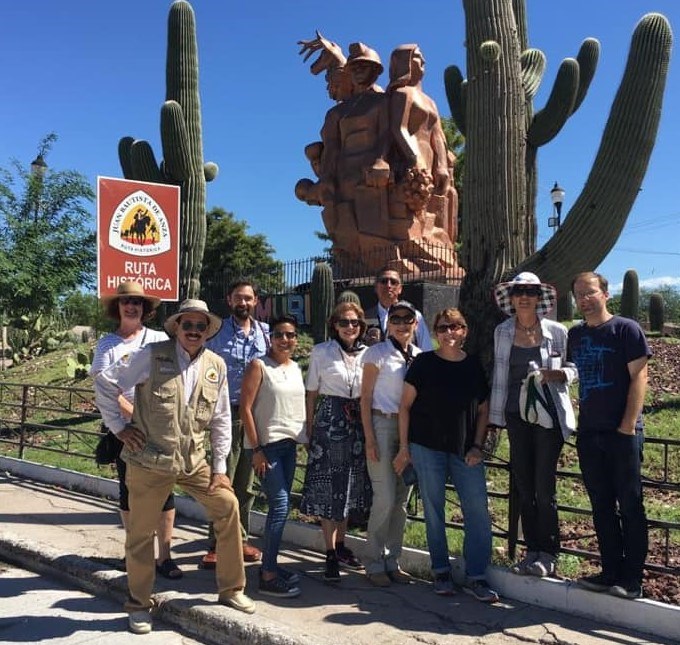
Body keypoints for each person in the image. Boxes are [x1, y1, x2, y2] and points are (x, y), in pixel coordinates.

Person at [95, 299, 255, 634]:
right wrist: (120, 429)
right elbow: (106, 382)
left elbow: (222, 419)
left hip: (193, 462)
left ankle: (231, 589)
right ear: (177, 327)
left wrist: (220, 468)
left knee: (228, 507)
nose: (194, 331)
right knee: (140, 534)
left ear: (208, 331)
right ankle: (139, 605)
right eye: (188, 325)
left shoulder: (216, 365)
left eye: (201, 326)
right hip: (150, 460)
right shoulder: (151, 355)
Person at [395, 308, 498, 602]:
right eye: (443, 328)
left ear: (464, 331)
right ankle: (441, 570)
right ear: (436, 332)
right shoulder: (424, 363)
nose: (449, 333)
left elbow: (483, 409)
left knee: (477, 511)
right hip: (427, 447)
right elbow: (405, 406)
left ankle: (477, 575)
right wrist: (404, 448)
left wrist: (478, 445)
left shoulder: (474, 365)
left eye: (455, 327)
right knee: (434, 510)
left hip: (466, 450)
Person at [567, 272, 651, 600]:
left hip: (622, 432)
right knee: (601, 505)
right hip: (589, 432)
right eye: (578, 294)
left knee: (630, 504)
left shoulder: (625, 329)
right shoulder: (575, 335)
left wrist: (628, 425)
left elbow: (639, 377)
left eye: (589, 292)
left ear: (605, 293)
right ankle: (610, 570)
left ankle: (632, 578)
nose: (584, 299)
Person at [89, 282, 179, 580]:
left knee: (164, 491)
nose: (132, 307)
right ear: (118, 306)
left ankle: (164, 556)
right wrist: (130, 421)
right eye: (126, 301)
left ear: (145, 308)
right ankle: (135, 553)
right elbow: (104, 387)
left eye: (137, 302)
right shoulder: (107, 345)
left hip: (158, 427)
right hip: (124, 428)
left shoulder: (157, 339)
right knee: (128, 490)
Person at [489, 272, 577, 578]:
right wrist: (495, 418)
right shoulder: (502, 331)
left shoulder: (557, 331)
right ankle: (532, 550)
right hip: (516, 416)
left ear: (539, 298)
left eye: (530, 291)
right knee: (524, 485)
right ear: (511, 299)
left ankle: (549, 552)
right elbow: (499, 375)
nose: (524, 296)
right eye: (519, 291)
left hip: (548, 418)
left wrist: (560, 375)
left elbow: (573, 367)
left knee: (543, 485)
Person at [300, 302, 372, 582]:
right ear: (335, 325)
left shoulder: (369, 354)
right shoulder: (322, 352)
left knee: (349, 486)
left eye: (354, 322)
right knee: (329, 488)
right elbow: (312, 394)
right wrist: (308, 429)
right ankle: (329, 552)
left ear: (361, 326)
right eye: (344, 322)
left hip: (357, 421)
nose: (349, 327)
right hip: (330, 422)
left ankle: (342, 545)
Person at [203, 279, 270, 567]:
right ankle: (217, 541)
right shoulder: (216, 333)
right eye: (238, 298)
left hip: (254, 415)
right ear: (229, 300)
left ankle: (240, 538)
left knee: (246, 483)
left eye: (248, 298)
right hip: (225, 414)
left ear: (256, 301)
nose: (243, 303)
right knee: (222, 478)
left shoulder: (265, 334)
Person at [240, 315, 306, 598]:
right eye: (279, 334)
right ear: (270, 338)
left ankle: (272, 566)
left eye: (290, 335)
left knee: (282, 507)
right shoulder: (259, 366)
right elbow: (245, 408)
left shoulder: (294, 368)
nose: (285, 340)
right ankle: (267, 575)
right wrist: (256, 450)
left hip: (289, 447)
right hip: (267, 449)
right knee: (279, 507)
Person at [360, 300, 421, 587]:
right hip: (382, 424)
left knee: (401, 500)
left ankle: (392, 559)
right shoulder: (377, 354)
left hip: (407, 429)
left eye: (406, 319)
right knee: (383, 497)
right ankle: (373, 561)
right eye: (395, 319)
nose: (400, 324)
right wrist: (370, 437)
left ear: (415, 324)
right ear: (388, 324)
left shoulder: (420, 356)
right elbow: (365, 399)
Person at [364, 266, 432, 349]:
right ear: (376, 287)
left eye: (393, 282)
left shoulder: (414, 316)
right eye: (384, 281)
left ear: (400, 289)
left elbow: (426, 348)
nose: (388, 285)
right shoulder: (365, 318)